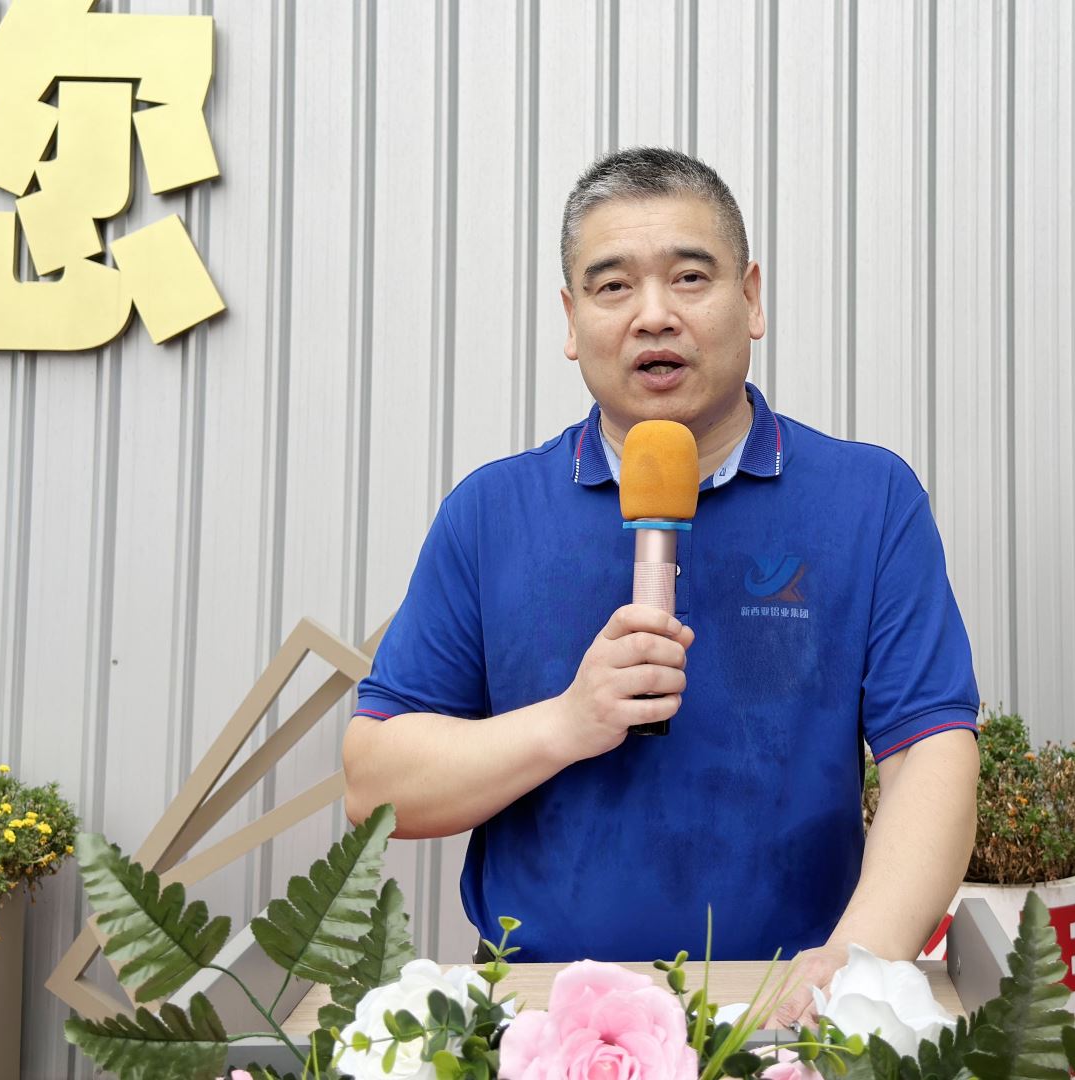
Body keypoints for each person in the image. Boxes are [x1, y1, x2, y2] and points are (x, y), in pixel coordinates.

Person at [341, 147, 981, 1023]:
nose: (653, 316)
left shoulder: (868, 500)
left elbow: (929, 753)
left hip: (790, 1008)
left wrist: (853, 966)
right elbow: (375, 783)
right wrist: (567, 723)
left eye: (689, 278)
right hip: (545, 1015)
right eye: (613, 287)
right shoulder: (489, 514)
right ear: (571, 320)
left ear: (751, 298)